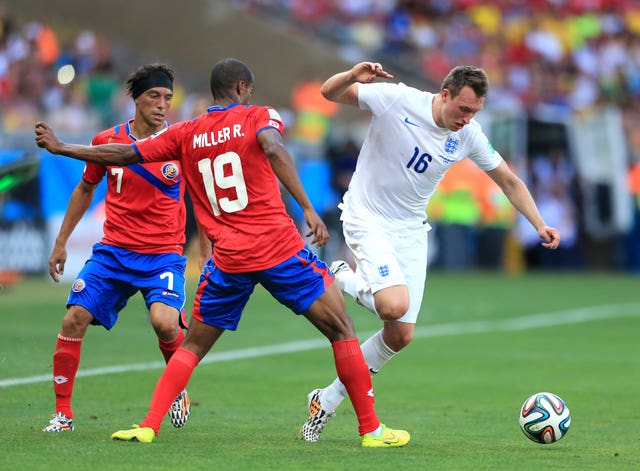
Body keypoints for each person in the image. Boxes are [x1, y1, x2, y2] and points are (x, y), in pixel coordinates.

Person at [35, 58, 410, 448]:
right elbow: (273, 146)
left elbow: (125, 155)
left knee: (193, 345)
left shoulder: (184, 133)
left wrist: (62, 147)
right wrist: (309, 208)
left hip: (229, 259)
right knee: (342, 330)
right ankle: (371, 430)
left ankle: (148, 425)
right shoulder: (259, 116)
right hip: (277, 248)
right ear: (244, 89)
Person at [298, 62, 562, 442]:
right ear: (445, 94)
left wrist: (538, 223)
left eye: (474, 112)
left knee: (400, 334)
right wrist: (351, 76)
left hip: (409, 230)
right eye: (463, 109)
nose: (467, 119)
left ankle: (325, 399)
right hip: (366, 217)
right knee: (392, 306)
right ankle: (339, 273)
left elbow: (508, 179)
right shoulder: (396, 100)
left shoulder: (468, 134)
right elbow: (329, 92)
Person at [42, 63, 192, 433]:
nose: (162, 105)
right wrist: (61, 243)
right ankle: (63, 414)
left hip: (162, 255)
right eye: (154, 96)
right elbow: (85, 189)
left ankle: (177, 388)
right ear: (136, 99)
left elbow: (202, 197)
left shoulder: (181, 143)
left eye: (168, 98)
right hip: (114, 253)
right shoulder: (105, 139)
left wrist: (209, 243)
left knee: (164, 323)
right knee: (73, 319)